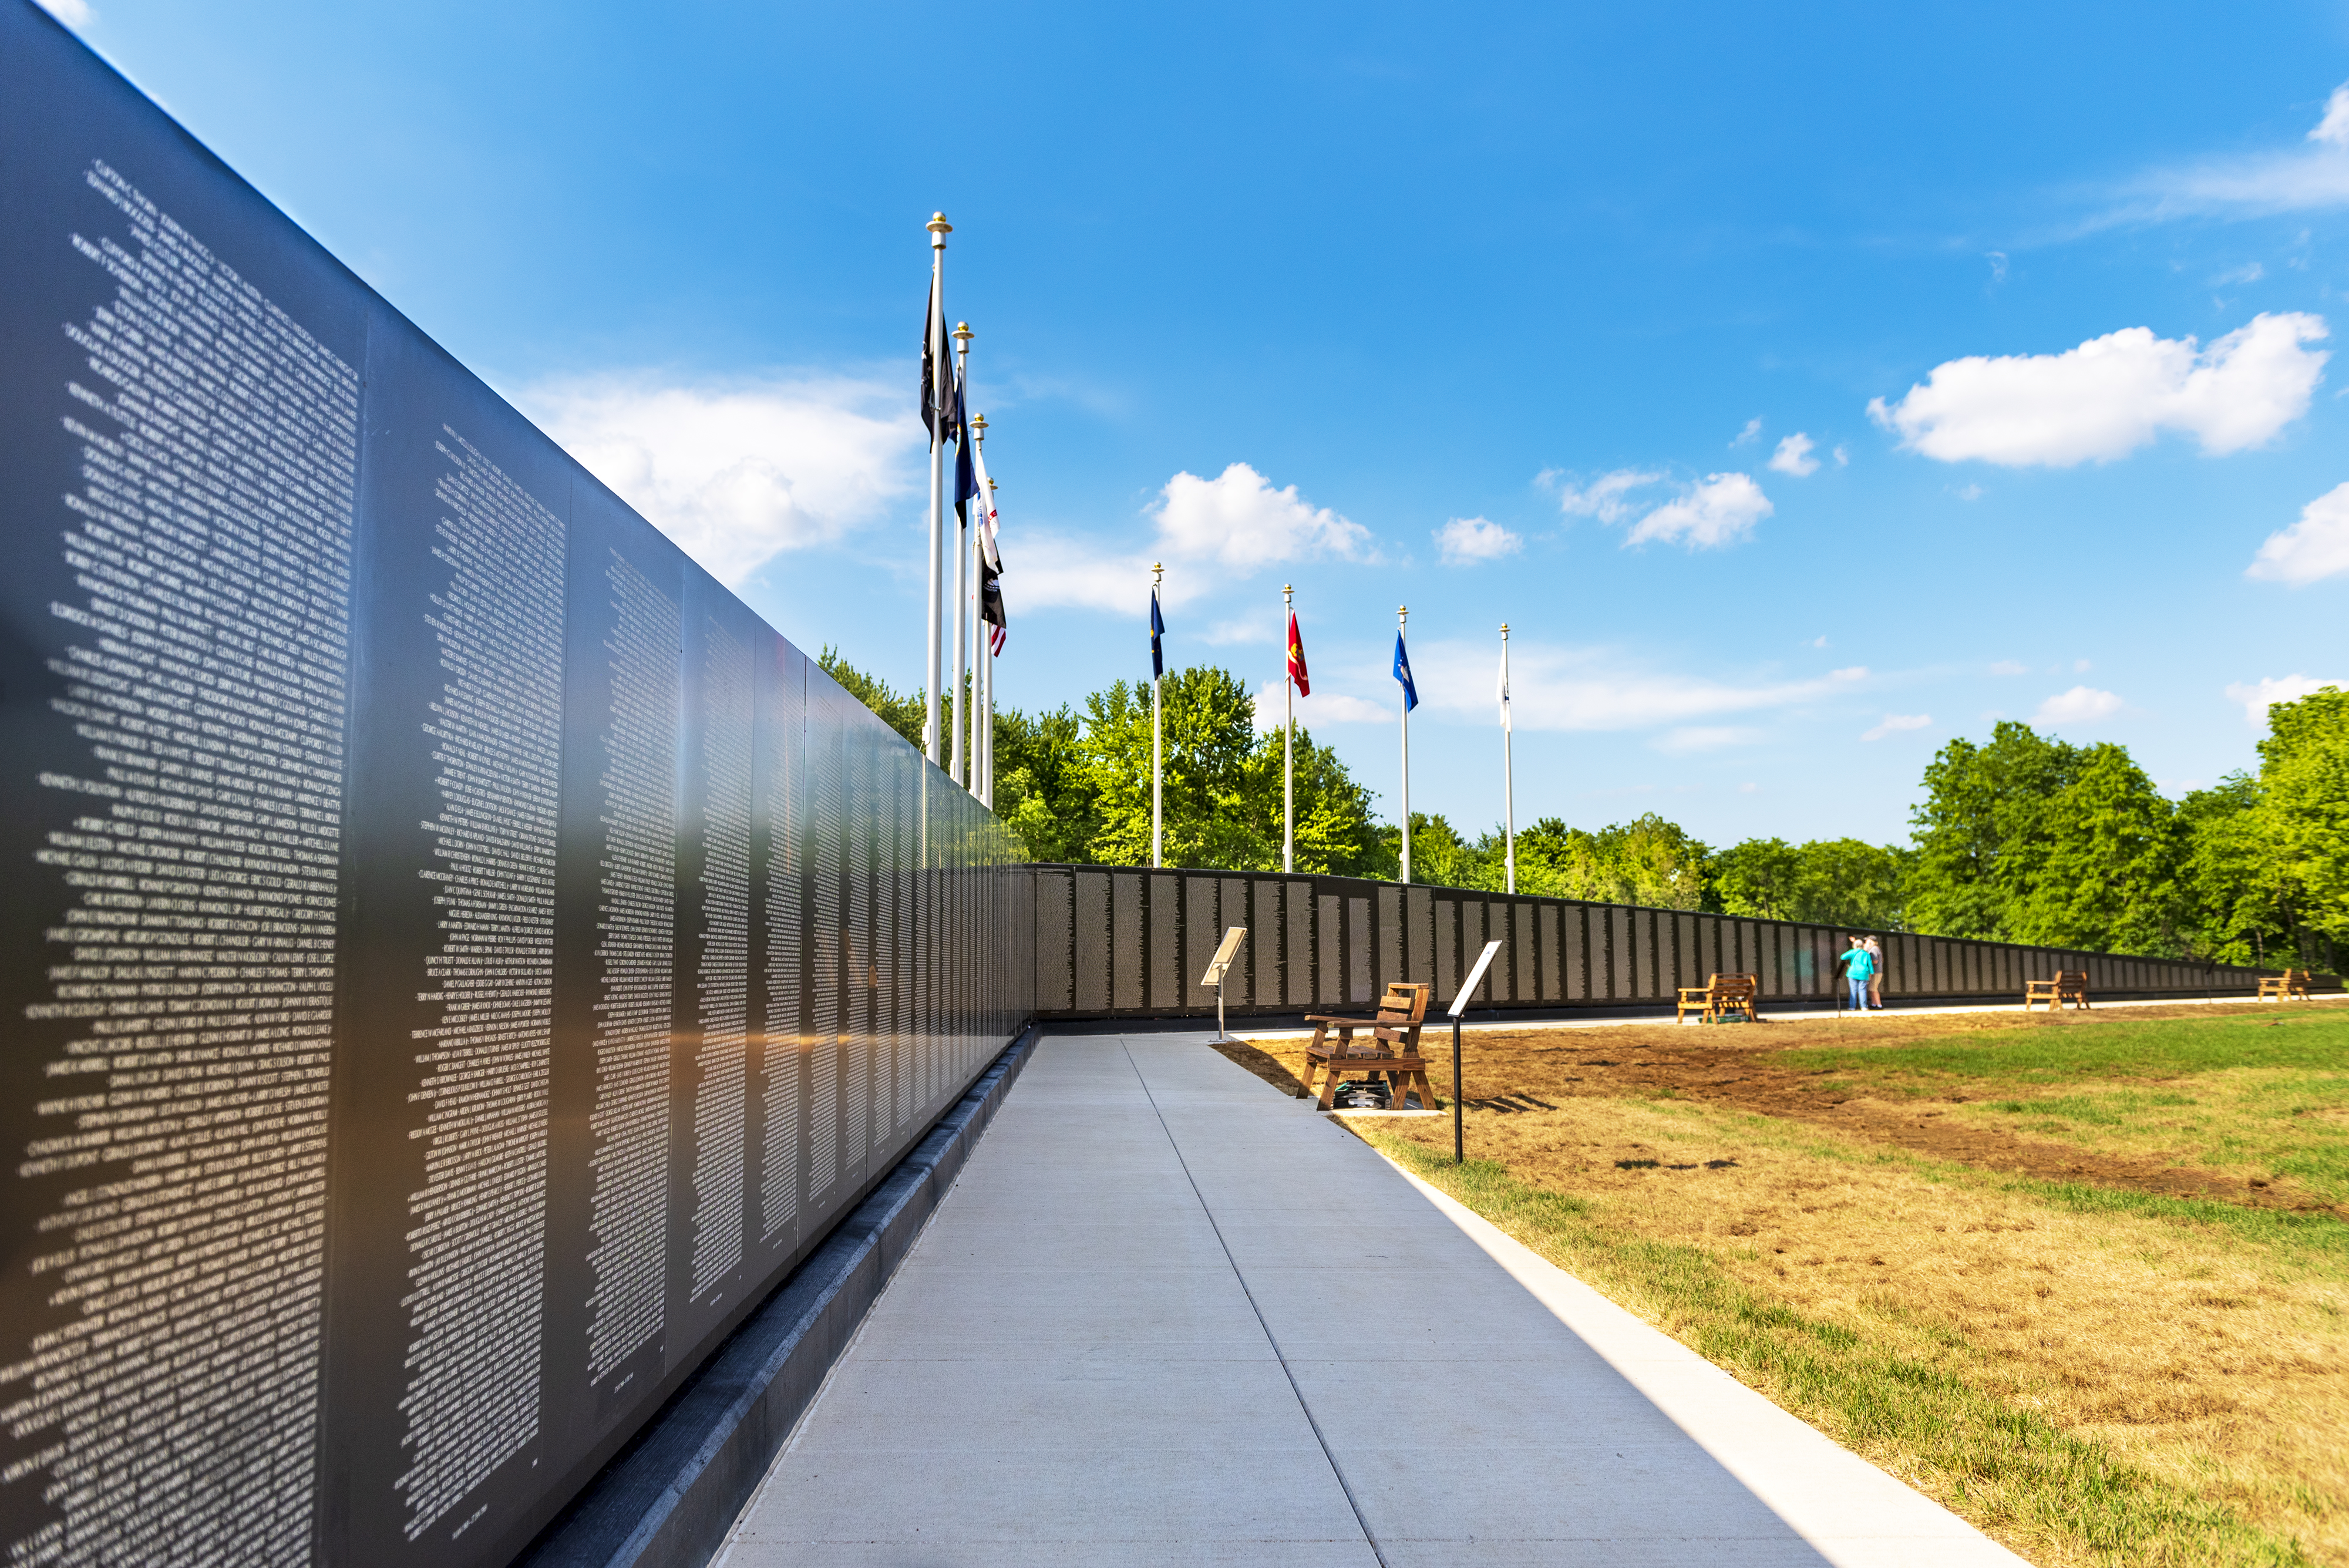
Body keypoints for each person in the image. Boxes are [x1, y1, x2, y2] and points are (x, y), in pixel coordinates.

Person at [1838, 937, 1874, 1013]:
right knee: (1862, 990)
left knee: (1853, 990)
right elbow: (1870, 965)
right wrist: (1871, 974)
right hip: (1864, 974)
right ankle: (1864, 1007)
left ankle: (1852, 1007)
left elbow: (1843, 957)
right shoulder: (1866, 954)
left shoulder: (1853, 952)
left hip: (1853, 973)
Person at [1865, 935, 1886, 1010]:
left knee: (1874, 989)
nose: (1866, 942)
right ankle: (1874, 1004)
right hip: (1876, 972)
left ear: (1870, 942)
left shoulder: (1874, 949)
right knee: (1872, 988)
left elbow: (1875, 961)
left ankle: (1879, 1005)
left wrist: (1866, 962)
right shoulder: (1875, 949)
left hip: (1876, 972)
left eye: (1867, 941)